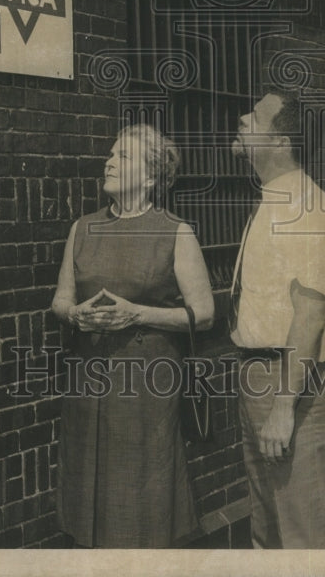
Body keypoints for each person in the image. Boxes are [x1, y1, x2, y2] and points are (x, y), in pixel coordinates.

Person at [51, 123, 214, 548]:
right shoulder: (82, 228)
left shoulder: (175, 231)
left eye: (123, 156)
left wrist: (136, 314)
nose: (108, 161)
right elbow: (60, 300)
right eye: (110, 153)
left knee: (141, 497)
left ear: (149, 177)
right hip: (88, 379)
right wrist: (75, 314)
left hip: (147, 385)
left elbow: (205, 314)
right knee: (88, 488)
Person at [230, 87, 325, 549]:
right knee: (271, 534)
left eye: (255, 117)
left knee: (309, 537)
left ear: (281, 142)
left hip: (297, 389)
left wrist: (282, 407)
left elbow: (311, 314)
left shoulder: (306, 207)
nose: (242, 118)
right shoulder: (275, 198)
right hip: (265, 378)